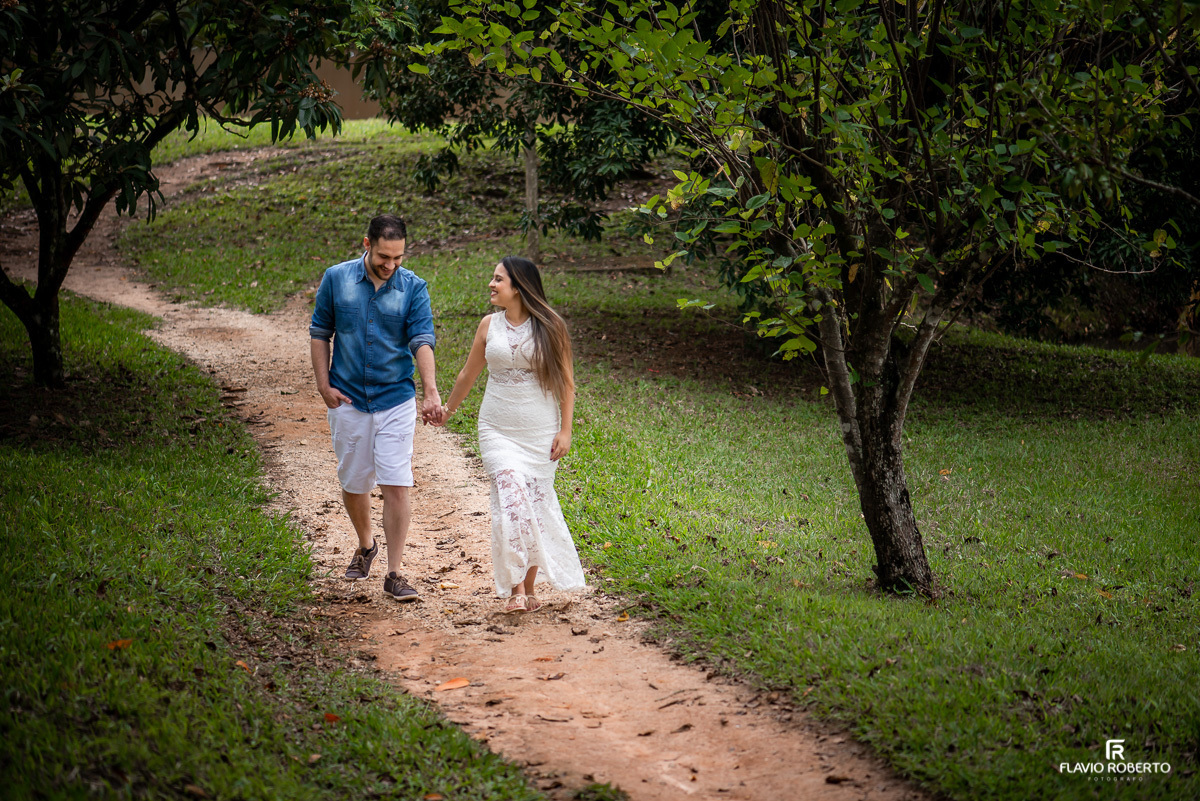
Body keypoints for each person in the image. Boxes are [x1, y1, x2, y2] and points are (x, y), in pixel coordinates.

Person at [432, 256, 585, 612]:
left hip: (539, 431)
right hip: (496, 428)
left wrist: (566, 430)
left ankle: (530, 588)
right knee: (512, 500)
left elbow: (567, 383)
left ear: (518, 286)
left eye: (498, 279)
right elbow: (467, 375)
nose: (491, 284)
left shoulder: (551, 326)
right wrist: (447, 413)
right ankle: (516, 590)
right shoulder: (489, 325)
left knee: (533, 504)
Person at [309, 214, 440, 602]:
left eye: (398, 258)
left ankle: (395, 572)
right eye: (384, 256)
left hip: (395, 398)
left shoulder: (413, 287)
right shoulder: (336, 278)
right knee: (354, 481)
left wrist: (430, 390)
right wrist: (323, 384)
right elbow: (320, 332)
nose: (391, 265)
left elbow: (421, 339)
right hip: (348, 396)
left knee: (397, 481)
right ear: (366, 244)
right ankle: (366, 545)